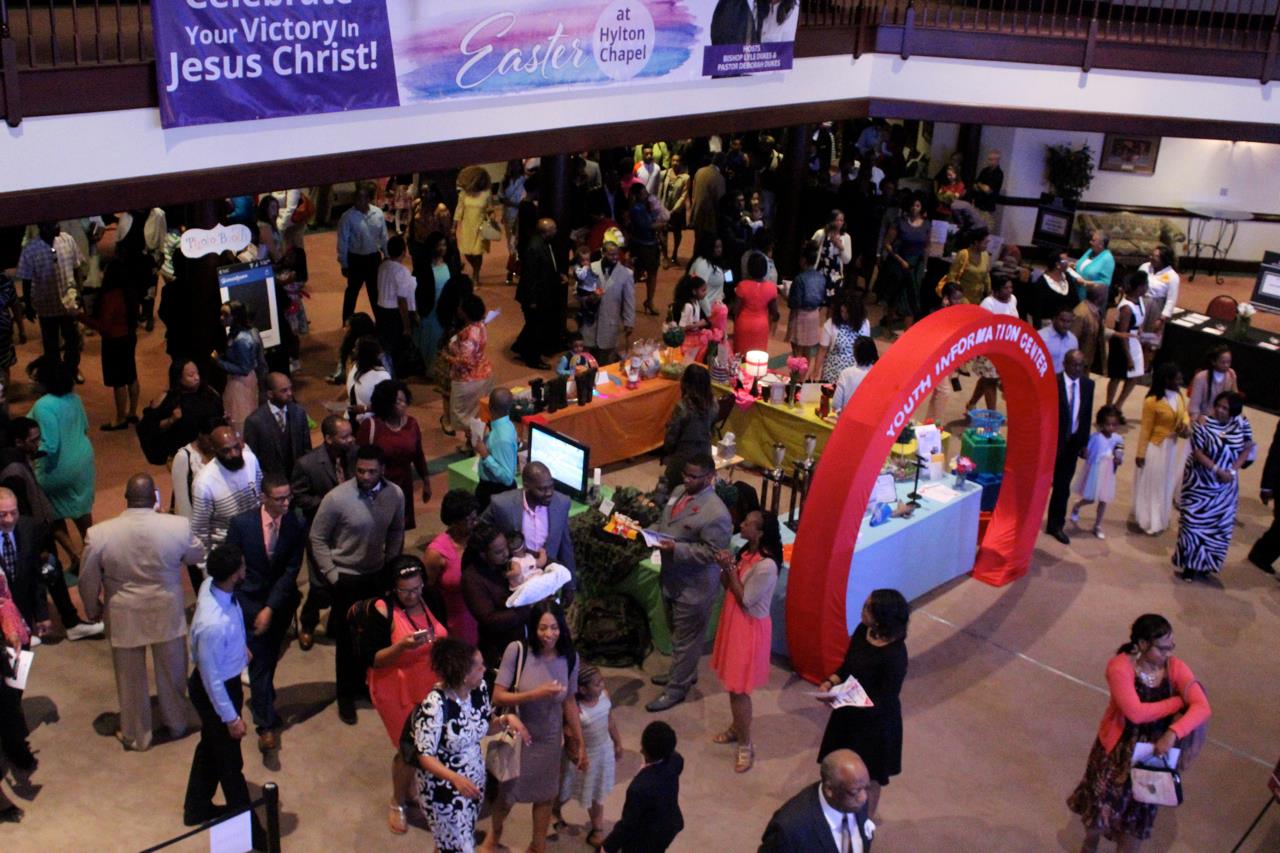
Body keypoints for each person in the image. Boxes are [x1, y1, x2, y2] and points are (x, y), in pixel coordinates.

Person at [79, 474, 203, 752]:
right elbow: (197, 554)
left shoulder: (100, 533)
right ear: (154, 498)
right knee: (172, 672)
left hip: (125, 612)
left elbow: (87, 577)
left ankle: (137, 735)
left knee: (130, 679)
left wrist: (92, 606)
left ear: (126, 497)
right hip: (166, 608)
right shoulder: (177, 526)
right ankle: (177, 722)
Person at [1067, 614, 1211, 852]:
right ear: (1143, 645)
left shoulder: (1174, 667)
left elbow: (1203, 707)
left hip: (1153, 756)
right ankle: (1090, 844)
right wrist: (1177, 702)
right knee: (1100, 808)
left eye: (1171, 647)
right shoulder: (1120, 667)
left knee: (1137, 819)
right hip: (1117, 752)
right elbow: (1135, 713)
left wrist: (1173, 732)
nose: (1168, 653)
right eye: (1162, 648)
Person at [310, 444, 405, 723]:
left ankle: (365, 685)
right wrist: (332, 574)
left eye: (372, 471)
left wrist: (391, 565)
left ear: (383, 470)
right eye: (360, 470)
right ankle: (344, 695)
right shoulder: (337, 498)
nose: (365, 476)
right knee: (346, 640)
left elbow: (397, 530)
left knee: (372, 637)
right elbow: (317, 538)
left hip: (376, 575)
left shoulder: (395, 495)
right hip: (346, 577)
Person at [409, 638, 529, 853]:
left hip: (472, 781)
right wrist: (455, 778)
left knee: (454, 840)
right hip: (443, 791)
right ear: (464, 675)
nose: (485, 669)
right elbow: (424, 755)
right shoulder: (434, 705)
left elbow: (483, 727)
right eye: (479, 666)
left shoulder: (479, 689)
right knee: (459, 846)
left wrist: (504, 721)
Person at [483, 602, 585, 853]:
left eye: (554, 627)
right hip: (518, 734)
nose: (549, 634)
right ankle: (494, 836)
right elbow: (498, 696)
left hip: (550, 738)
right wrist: (536, 694)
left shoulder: (570, 658)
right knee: (507, 795)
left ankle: (537, 845)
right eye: (542, 628)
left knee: (545, 794)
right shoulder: (518, 651)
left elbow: (570, 701)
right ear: (533, 628)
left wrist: (579, 742)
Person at [182, 544, 266, 846]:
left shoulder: (211, 584)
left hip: (222, 680)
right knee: (231, 765)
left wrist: (238, 649)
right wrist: (231, 717)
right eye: (242, 567)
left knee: (210, 747)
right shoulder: (211, 624)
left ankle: (196, 807)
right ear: (233, 576)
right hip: (215, 691)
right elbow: (210, 678)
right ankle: (255, 837)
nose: (246, 571)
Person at [363, 555, 448, 835]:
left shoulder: (430, 598)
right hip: (396, 690)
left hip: (431, 685)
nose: (413, 594)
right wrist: (401, 647)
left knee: (429, 745)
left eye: (417, 587)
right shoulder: (382, 610)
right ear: (393, 590)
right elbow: (374, 658)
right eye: (406, 591)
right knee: (408, 750)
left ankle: (413, 790)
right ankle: (397, 801)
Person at [647, 454, 733, 712]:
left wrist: (677, 548)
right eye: (685, 474)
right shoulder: (678, 491)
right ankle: (684, 671)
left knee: (686, 640)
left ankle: (676, 689)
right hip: (672, 577)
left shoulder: (716, 513)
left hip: (694, 587)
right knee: (678, 634)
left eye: (693, 477)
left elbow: (712, 554)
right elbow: (667, 522)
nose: (686, 480)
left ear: (710, 477)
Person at [225, 475, 304, 756]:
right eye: (279, 499)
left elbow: (291, 569)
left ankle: (263, 699)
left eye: (288, 497)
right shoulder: (242, 524)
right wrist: (249, 609)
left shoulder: (295, 523)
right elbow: (232, 567)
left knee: (270, 656)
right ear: (263, 498)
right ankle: (265, 724)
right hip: (248, 603)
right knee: (259, 661)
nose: (286, 503)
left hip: (279, 604)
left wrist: (270, 608)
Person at [817, 589, 908, 820]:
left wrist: (848, 699)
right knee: (836, 766)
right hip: (848, 714)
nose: (862, 609)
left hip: (875, 724)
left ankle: (865, 822)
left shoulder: (895, 655)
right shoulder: (862, 631)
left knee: (869, 777)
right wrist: (831, 682)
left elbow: (885, 699)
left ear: (881, 616)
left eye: (868, 607)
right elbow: (848, 666)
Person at [710, 509, 781, 774]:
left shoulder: (766, 565)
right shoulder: (746, 552)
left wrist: (729, 568)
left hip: (748, 628)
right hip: (734, 621)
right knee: (732, 687)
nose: (741, 524)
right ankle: (737, 727)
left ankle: (745, 743)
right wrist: (724, 567)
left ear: (760, 532)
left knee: (739, 690)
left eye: (748, 523)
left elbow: (746, 600)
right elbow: (728, 586)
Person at [0, 485, 99, 644]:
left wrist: (41, 615)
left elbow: (35, 576)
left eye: (14, 512)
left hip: (21, 618)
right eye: (2, 515)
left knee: (21, 661)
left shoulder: (28, 529)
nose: (9, 519)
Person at [291, 414, 356, 650]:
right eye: (345, 436)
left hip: (349, 531)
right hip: (321, 532)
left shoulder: (354, 454)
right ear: (329, 438)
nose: (351, 439)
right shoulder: (307, 464)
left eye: (351, 434)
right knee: (320, 586)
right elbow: (299, 496)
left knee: (344, 581)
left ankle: (336, 624)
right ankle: (308, 622)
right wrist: (331, 502)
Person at [1174, 391, 1253, 582]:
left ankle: (1206, 564)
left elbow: (1247, 447)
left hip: (1225, 488)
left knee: (1218, 527)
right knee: (1193, 525)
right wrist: (1217, 470)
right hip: (1200, 483)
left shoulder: (1242, 424)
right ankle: (1189, 566)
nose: (1220, 410)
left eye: (1225, 408)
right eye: (1218, 405)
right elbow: (1198, 452)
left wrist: (1232, 471)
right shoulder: (1203, 423)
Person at [29, 357, 96, 569]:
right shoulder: (74, 398)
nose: (32, 382)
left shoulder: (43, 405)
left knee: (50, 514)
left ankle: (75, 556)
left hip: (58, 468)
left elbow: (49, 444)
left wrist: (26, 458)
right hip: (83, 462)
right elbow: (84, 427)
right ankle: (92, 552)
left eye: (35, 378)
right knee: (82, 511)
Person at [480, 461, 578, 598]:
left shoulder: (562, 503)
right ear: (526, 486)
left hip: (546, 583)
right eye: (542, 489)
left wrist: (570, 585)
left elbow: (565, 545)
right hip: (513, 584)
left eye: (551, 487)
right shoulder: (502, 505)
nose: (549, 493)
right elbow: (479, 532)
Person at [556, 665, 622, 848]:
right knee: (566, 790)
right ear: (582, 689)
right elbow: (569, 735)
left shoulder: (604, 696)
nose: (602, 685)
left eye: (601, 681)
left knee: (597, 792)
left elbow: (610, 721)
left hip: (603, 751)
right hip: (584, 756)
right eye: (597, 683)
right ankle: (554, 811)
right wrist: (575, 756)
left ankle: (597, 829)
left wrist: (617, 743)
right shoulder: (575, 709)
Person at [760, 749, 875, 852]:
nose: (864, 797)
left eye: (866, 788)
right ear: (829, 789)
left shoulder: (855, 793)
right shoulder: (789, 829)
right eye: (855, 792)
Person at [86, 231, 143, 430]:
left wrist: (80, 317)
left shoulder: (111, 296)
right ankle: (133, 412)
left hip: (114, 340)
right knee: (131, 375)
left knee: (119, 380)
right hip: (129, 335)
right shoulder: (130, 291)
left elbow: (104, 326)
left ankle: (120, 418)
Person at [356, 380, 431, 530]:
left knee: (399, 527)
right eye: (398, 401)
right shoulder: (370, 426)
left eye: (404, 400)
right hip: (378, 486)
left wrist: (426, 482)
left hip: (404, 485)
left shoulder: (412, 424)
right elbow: (358, 460)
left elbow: (418, 454)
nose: (403, 404)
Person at [601, 721, 685, 853]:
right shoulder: (676, 760)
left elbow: (628, 824)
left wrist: (608, 847)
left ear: (643, 749)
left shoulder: (638, 788)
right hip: (669, 826)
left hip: (644, 838)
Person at [17, 222, 83, 378]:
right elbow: (26, 280)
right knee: (51, 344)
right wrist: (28, 304)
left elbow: (76, 267)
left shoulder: (67, 240)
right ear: (43, 227)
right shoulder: (31, 249)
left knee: (73, 341)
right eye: (53, 225)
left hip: (69, 304)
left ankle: (71, 369)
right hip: (46, 305)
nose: (58, 227)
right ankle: (55, 374)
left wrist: (80, 292)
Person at [460, 523, 529, 667]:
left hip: (524, 635)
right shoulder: (472, 579)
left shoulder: (507, 562)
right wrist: (527, 609)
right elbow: (490, 620)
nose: (506, 553)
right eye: (499, 552)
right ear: (483, 554)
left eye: (506, 547)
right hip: (499, 647)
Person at [1133, 364, 1191, 537]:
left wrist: (1186, 426)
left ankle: (1161, 517)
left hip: (1171, 448)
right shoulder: (1152, 401)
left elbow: (1184, 414)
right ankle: (1149, 519)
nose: (1181, 381)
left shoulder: (1179, 397)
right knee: (1154, 483)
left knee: (1165, 482)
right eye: (1178, 378)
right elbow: (1145, 429)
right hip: (1156, 447)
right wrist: (1140, 453)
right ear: (1167, 379)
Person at [190, 426, 263, 558]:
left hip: (255, 540)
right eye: (226, 450)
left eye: (236, 447)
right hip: (227, 550)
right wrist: (207, 565)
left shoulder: (251, 460)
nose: (234, 454)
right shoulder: (204, 483)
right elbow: (200, 529)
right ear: (214, 450)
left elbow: (260, 496)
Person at [1046, 350, 1095, 545]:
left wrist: (1084, 443)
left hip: (1072, 443)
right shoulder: (1052, 382)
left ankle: (1056, 525)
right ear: (1065, 364)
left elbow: (1086, 416)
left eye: (1081, 365)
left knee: (1063, 486)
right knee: (1041, 484)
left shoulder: (1088, 385)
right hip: (1052, 442)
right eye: (1073, 365)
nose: (1077, 369)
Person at [424, 490, 480, 645]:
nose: (476, 523)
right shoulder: (436, 553)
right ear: (454, 522)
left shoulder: (478, 538)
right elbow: (428, 591)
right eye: (470, 520)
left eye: (476, 518)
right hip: (458, 620)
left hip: (484, 610)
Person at [146, 359, 225, 460]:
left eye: (197, 373)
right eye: (191, 375)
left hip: (212, 449)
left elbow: (218, 414)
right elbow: (151, 428)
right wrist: (171, 419)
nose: (197, 378)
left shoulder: (209, 392)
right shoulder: (168, 398)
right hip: (183, 453)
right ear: (179, 378)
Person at [444, 294, 494, 444]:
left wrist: (446, 357)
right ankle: (472, 442)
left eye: (461, 307)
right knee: (477, 413)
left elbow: (466, 362)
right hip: (484, 373)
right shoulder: (481, 325)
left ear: (465, 312)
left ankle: (476, 444)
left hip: (468, 380)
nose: (458, 309)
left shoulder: (468, 334)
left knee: (464, 417)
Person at [242, 372, 311, 481]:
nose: (290, 393)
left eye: (290, 389)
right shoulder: (254, 421)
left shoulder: (299, 412)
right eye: (284, 391)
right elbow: (252, 459)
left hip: (297, 478)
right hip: (272, 482)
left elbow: (306, 448)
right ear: (270, 394)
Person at [1070, 406, 1125, 540]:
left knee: (1103, 500)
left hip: (1108, 473)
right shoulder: (1095, 437)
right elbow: (1087, 454)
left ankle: (1097, 525)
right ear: (1101, 424)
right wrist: (1084, 453)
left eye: (1114, 425)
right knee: (1090, 498)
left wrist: (1118, 459)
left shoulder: (1118, 439)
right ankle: (1077, 505)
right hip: (1095, 471)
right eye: (1108, 424)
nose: (1111, 427)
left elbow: (1119, 453)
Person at [964, 277, 1018, 411]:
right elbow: (982, 328)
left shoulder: (1013, 299)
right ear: (997, 290)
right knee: (990, 381)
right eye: (1006, 288)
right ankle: (991, 415)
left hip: (1007, 348)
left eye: (1010, 287)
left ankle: (971, 404)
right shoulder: (988, 304)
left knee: (987, 379)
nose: (1009, 291)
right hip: (991, 349)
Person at [660, 364, 716, 494]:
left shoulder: (683, 407)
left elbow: (672, 434)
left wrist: (667, 452)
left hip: (684, 457)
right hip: (705, 453)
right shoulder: (713, 404)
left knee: (670, 493)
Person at [877, 193, 928, 335]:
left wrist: (924, 266)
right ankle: (888, 328)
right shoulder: (899, 223)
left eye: (917, 206)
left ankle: (908, 334)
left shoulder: (926, 225)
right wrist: (899, 259)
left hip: (916, 265)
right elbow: (887, 243)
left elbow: (926, 248)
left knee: (911, 297)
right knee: (895, 296)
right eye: (912, 205)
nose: (914, 208)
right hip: (900, 263)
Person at [337, 184, 388, 322]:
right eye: (356, 199)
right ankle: (347, 321)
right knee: (352, 291)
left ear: (368, 199)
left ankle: (381, 322)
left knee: (375, 292)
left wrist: (387, 256)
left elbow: (383, 237)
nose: (358, 202)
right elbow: (343, 242)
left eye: (362, 199)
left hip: (373, 258)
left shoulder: (378, 214)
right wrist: (344, 264)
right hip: (356, 259)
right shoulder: (347, 217)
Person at [580, 239, 635, 366]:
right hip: (590, 322)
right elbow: (579, 293)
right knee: (587, 362)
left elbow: (629, 300)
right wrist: (589, 298)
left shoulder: (626, 274)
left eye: (617, 254)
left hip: (610, 324)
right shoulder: (591, 268)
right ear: (603, 253)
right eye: (611, 254)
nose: (615, 257)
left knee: (606, 363)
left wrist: (629, 321)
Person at [217, 301, 265, 434]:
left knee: (240, 417)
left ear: (235, 317)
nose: (221, 317)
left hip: (241, 384)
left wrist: (219, 362)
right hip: (240, 380)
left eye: (225, 315)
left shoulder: (241, 340)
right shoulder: (240, 333)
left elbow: (244, 369)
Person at [1104, 272, 1148, 414]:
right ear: (1140, 287)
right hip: (1122, 344)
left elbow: (1139, 321)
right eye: (1146, 285)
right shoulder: (1126, 308)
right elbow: (1123, 334)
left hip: (1134, 341)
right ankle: (1108, 407)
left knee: (1134, 376)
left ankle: (1118, 406)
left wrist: (1141, 331)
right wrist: (1128, 357)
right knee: (1116, 377)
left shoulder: (1139, 301)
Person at [474, 388, 518, 509]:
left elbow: (507, 478)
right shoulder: (506, 425)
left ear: (489, 406)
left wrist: (485, 455)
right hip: (489, 488)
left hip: (495, 493)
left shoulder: (502, 438)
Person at [812, 293, 870, 383]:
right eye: (842, 311)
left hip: (855, 373)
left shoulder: (865, 323)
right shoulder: (831, 324)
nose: (843, 315)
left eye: (847, 313)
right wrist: (815, 371)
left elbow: (866, 349)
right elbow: (822, 350)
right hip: (833, 372)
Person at [454, 169, 496, 285]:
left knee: (478, 252)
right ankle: (475, 269)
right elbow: (459, 210)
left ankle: (476, 275)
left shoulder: (486, 193)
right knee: (467, 253)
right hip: (467, 227)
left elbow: (490, 209)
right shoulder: (464, 193)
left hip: (481, 226)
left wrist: (492, 216)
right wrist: (454, 226)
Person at [732, 252, 779, 355]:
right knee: (757, 359)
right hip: (761, 326)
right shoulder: (771, 287)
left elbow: (735, 309)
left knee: (740, 356)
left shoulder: (742, 286)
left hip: (743, 324)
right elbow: (774, 313)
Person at [1138, 245, 1180, 356]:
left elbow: (1171, 300)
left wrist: (1161, 320)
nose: (1151, 257)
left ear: (1164, 259)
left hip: (1156, 307)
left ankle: (1146, 366)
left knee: (1150, 340)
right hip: (1141, 302)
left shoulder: (1172, 276)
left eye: (1155, 256)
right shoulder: (1144, 267)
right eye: (1151, 255)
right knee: (1136, 335)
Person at [787, 240, 826, 359]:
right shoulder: (821, 277)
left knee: (797, 353)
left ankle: (797, 378)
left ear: (803, 260)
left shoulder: (799, 278)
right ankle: (803, 378)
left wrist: (785, 296)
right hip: (815, 315)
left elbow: (795, 303)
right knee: (807, 354)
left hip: (801, 316)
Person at [346, 335, 392, 423]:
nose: (353, 350)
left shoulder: (383, 376)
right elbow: (352, 388)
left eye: (356, 348)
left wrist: (365, 409)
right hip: (352, 418)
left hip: (373, 423)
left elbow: (388, 403)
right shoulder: (356, 367)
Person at [1186, 345, 1238, 422]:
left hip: (1223, 420)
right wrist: (1197, 418)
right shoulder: (1201, 377)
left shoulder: (1231, 374)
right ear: (1213, 361)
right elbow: (1194, 406)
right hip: (1203, 419)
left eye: (1228, 362)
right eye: (1223, 362)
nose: (1227, 365)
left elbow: (1235, 400)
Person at [832, 336, 880, 414]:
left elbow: (836, 404)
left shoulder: (846, 373)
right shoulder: (879, 373)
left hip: (848, 419)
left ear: (855, 353)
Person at [658, 153, 690, 267]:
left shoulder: (686, 177)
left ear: (681, 163)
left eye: (677, 161)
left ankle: (675, 254)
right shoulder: (664, 173)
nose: (675, 163)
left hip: (677, 211)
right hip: (664, 208)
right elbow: (660, 191)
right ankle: (665, 256)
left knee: (677, 233)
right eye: (673, 160)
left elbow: (683, 196)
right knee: (663, 232)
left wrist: (673, 210)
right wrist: (661, 208)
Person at [947, 227, 991, 306]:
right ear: (976, 242)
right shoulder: (963, 254)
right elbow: (952, 276)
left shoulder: (985, 255)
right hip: (963, 298)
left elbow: (986, 276)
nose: (986, 246)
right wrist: (955, 297)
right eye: (985, 243)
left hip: (978, 299)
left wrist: (989, 292)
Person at [1073, 229, 1116, 302]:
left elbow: (1105, 283)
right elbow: (1083, 264)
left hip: (1090, 299)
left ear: (1101, 244)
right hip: (1075, 292)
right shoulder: (1090, 251)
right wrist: (1074, 265)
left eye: (1093, 240)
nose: (1090, 242)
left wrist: (1085, 283)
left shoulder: (1108, 259)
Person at [1039, 307, 1080, 376]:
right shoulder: (1041, 337)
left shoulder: (1073, 341)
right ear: (1054, 319)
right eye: (1062, 321)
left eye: (1068, 321)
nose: (1065, 325)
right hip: (1043, 378)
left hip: (1062, 382)